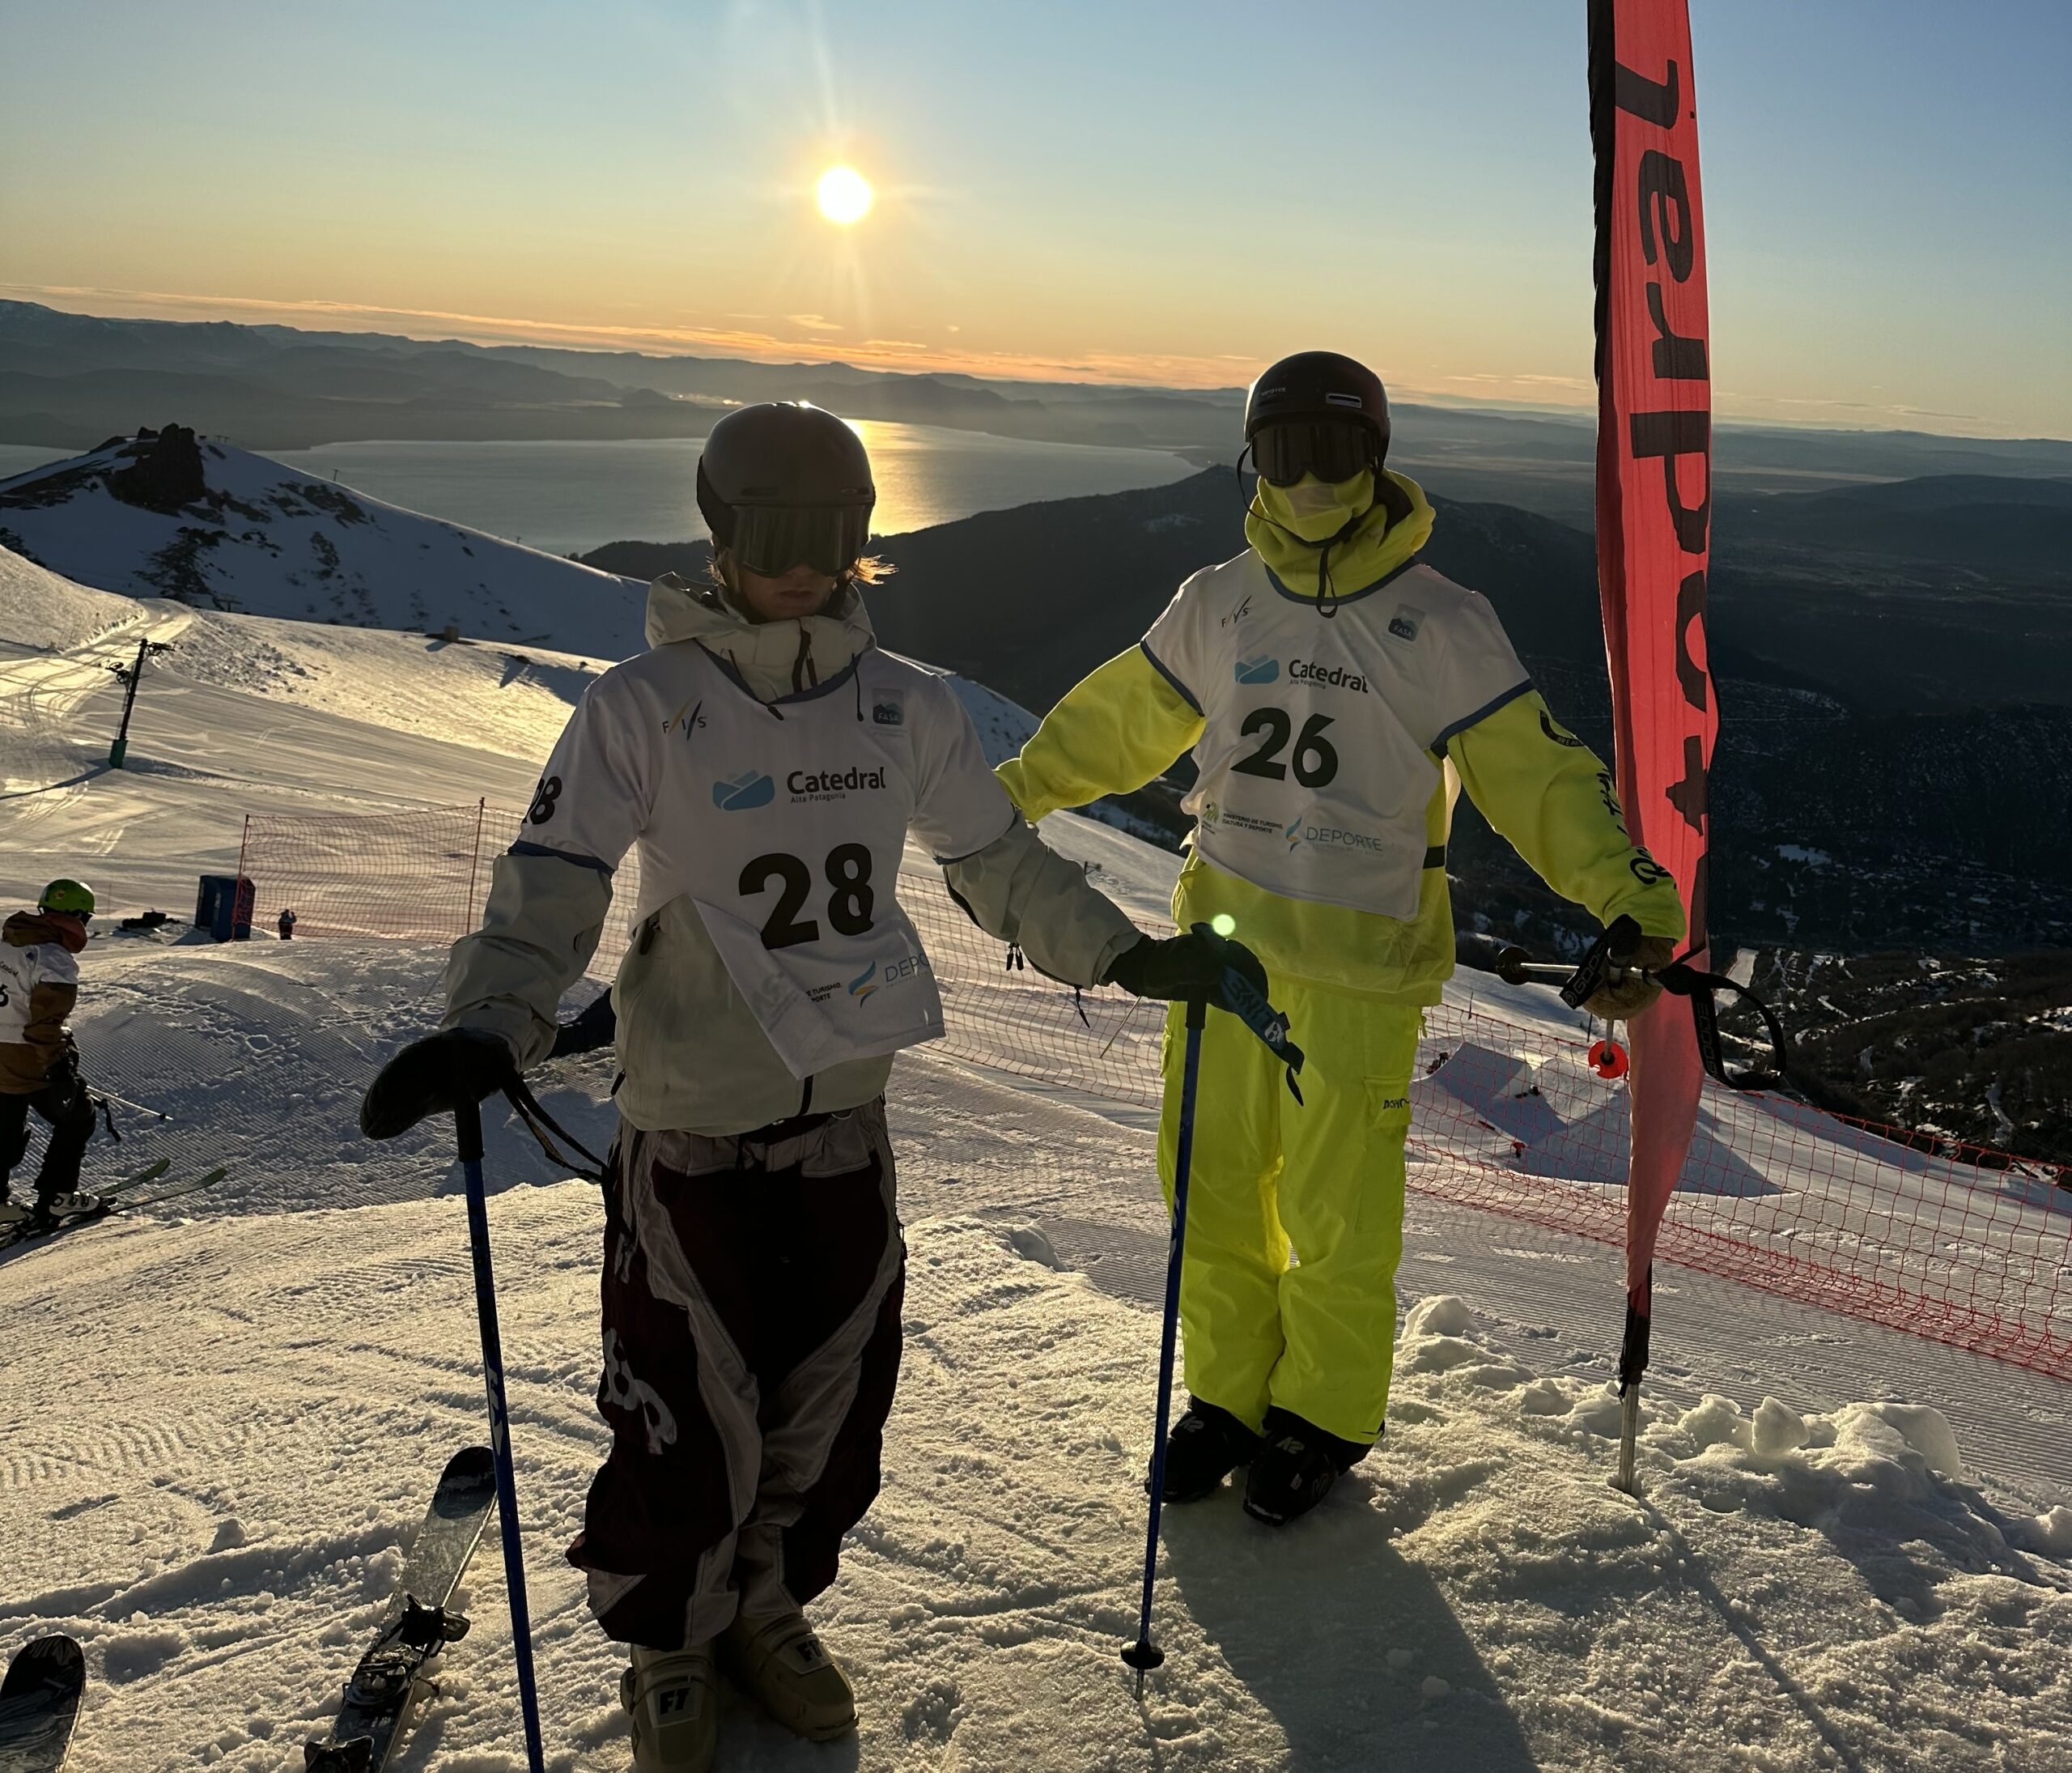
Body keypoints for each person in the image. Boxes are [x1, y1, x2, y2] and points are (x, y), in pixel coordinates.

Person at [359, 402, 1274, 1773]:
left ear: (861, 541)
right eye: (769, 534)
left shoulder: (908, 704)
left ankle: (766, 1608)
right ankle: (673, 1637)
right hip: (691, 1114)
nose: (799, 563)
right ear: (720, 535)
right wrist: (493, 1023)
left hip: (846, 1107)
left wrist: (1126, 954)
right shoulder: (643, 705)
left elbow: (997, 861)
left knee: (830, 1397)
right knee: (682, 1393)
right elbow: (554, 879)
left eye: (829, 536)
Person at [996, 351, 1687, 1528]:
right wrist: (1006, 794)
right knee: (1208, 1191)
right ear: (1252, 463)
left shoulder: (1441, 622)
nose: (1312, 479)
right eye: (1286, 452)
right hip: (1223, 957)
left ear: (1376, 459)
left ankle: (1317, 1416)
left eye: (1337, 450)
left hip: (1360, 975)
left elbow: (1536, 778)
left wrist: (1631, 895)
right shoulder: (1217, 601)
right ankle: (1225, 1395)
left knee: (1336, 1215)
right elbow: (1118, 724)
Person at [0, 878, 101, 1226]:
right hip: (25, 1057)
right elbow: (43, 1027)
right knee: (78, 1115)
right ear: (76, 916)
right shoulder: (54, 958)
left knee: (4, 1126)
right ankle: (58, 1196)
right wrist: (60, 1068)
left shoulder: (5, 945)